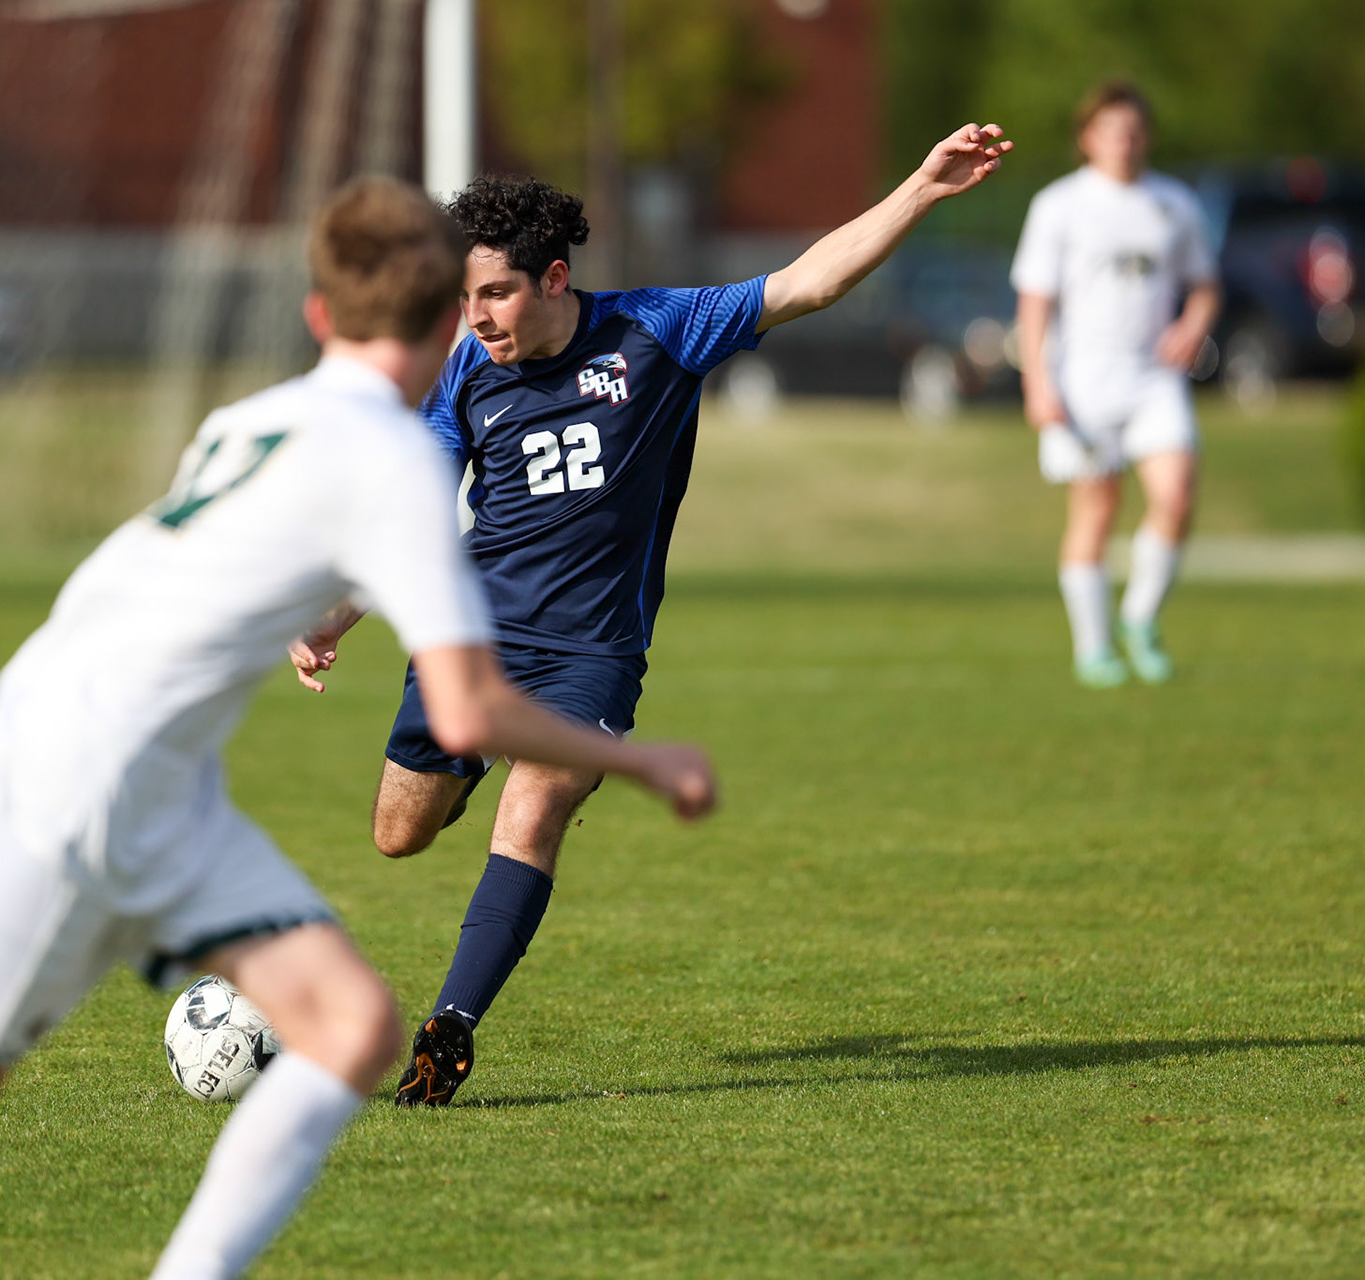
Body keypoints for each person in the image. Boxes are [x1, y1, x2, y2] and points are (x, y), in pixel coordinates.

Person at [0, 177, 717, 1280]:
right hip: (78, 783)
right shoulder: (388, 461)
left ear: (318, 316)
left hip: (112, 758)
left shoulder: (253, 419)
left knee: (348, 1024)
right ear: (441, 326)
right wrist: (644, 756)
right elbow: (471, 706)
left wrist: (322, 613)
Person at [288, 125, 1015, 1106]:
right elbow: (407, 508)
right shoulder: (465, 372)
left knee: (535, 802)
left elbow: (807, 282)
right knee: (396, 835)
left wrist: (922, 188)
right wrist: (334, 613)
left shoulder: (658, 331)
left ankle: (449, 1031)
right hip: (470, 643)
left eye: (495, 293)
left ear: (553, 278)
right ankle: (472, 763)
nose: (478, 317)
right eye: (464, 299)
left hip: (591, 651)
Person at [1012, 81, 1222, 687]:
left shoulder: (1173, 204)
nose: (1123, 143)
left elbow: (1204, 284)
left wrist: (1193, 322)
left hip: (1153, 377)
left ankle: (1140, 617)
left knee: (1176, 494)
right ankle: (1094, 647)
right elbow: (1034, 301)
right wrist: (1038, 383)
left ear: (1146, 137)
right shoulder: (1059, 205)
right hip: (1082, 380)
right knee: (1097, 510)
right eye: (1111, 131)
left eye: (1133, 131)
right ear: (1088, 138)